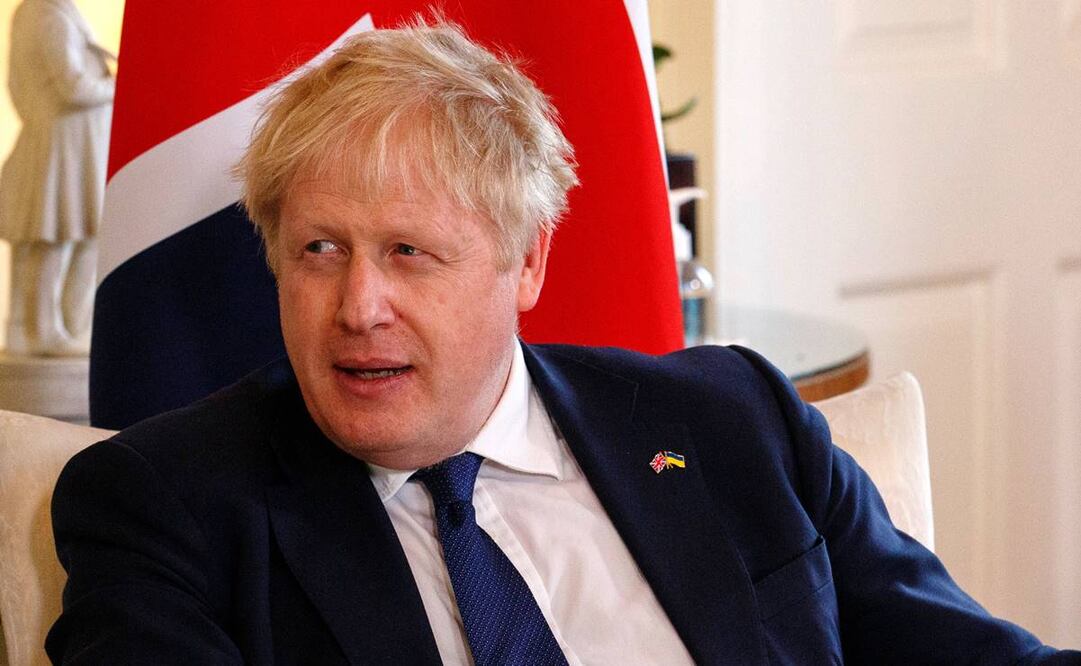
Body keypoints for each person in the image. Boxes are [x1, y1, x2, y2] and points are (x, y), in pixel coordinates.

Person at [46, 18, 1078, 665]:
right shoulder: (165, 505)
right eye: (320, 249)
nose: (358, 306)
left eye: (408, 252)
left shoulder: (733, 424)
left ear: (527, 262)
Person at [0, 0, 113, 356]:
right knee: (54, 237)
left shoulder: (52, 10)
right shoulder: (45, 14)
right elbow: (73, 87)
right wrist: (118, 86)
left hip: (72, 145)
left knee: (75, 235)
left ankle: (65, 327)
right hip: (62, 147)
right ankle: (44, 330)